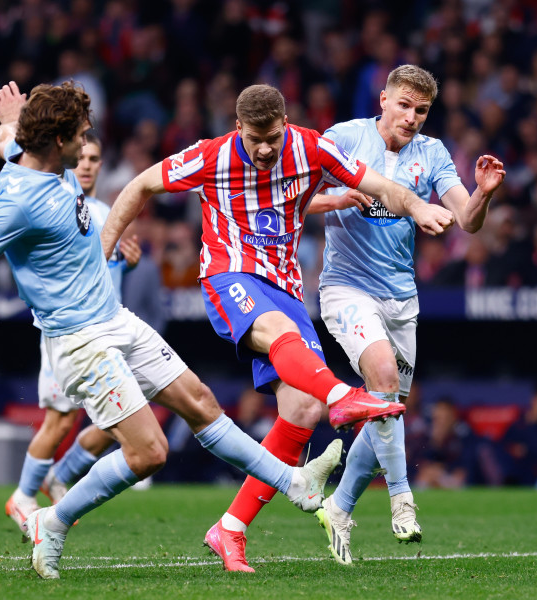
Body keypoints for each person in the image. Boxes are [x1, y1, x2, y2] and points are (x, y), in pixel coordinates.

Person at [0, 81, 344, 580]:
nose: (88, 147)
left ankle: (296, 486)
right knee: (149, 453)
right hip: (80, 338)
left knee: (202, 403)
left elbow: (6, 141)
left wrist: (9, 120)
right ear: (59, 142)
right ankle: (51, 522)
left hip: (115, 318)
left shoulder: (33, 153)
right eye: (81, 135)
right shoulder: (16, 202)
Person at [99, 83, 458, 572]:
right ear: (238, 127)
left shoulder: (311, 147)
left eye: (272, 136)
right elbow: (139, 185)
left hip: (285, 286)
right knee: (292, 353)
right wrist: (102, 252)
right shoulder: (212, 156)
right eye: (254, 138)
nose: (265, 148)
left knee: (302, 410)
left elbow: (380, 186)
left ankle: (230, 529)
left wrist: (416, 206)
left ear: (284, 124)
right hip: (231, 274)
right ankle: (341, 395)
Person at [311, 65, 505, 565]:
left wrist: (482, 193)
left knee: (386, 409)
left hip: (402, 300)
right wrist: (335, 198)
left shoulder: (433, 153)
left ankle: (339, 507)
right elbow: (293, 196)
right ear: (383, 100)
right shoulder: (344, 138)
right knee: (382, 381)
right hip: (346, 289)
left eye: (421, 110)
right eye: (404, 105)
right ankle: (402, 499)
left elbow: (467, 221)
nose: (412, 117)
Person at [5, 129, 143, 528]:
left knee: (119, 419)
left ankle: (60, 476)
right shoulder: (59, 201)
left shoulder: (105, 211)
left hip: (106, 329)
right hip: (68, 331)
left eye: (95, 159)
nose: (86, 165)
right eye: (81, 158)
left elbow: (105, 270)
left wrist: (126, 264)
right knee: (60, 420)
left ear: (102, 165)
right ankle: (23, 495)